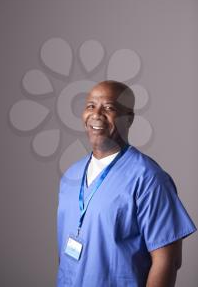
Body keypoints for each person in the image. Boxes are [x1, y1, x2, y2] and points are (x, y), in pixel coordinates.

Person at [57, 80, 196, 287]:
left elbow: (168, 261)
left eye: (109, 108)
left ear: (128, 119)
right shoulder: (71, 175)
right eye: (90, 106)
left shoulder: (149, 179)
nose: (97, 114)